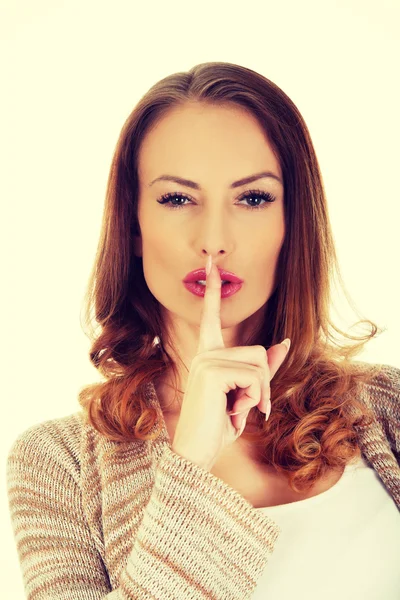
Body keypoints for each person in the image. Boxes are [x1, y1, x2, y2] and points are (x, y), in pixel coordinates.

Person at [6, 61, 400, 600]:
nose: (214, 238)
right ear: (135, 224)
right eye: (176, 199)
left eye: (253, 198)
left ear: (293, 222)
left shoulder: (388, 407)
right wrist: (189, 462)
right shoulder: (58, 464)